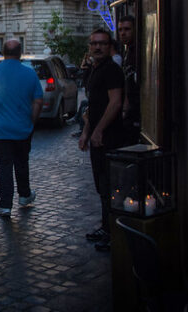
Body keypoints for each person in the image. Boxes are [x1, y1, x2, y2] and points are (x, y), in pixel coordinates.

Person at [0, 39, 43, 218]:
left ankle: (5, 205)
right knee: (22, 163)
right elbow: (38, 100)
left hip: (0, 130)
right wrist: (33, 120)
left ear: (3, 52)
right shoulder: (29, 73)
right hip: (23, 128)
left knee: (4, 167)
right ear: (20, 53)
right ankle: (24, 195)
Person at [78, 28, 125, 252]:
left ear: (109, 46)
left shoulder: (112, 71)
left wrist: (99, 131)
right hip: (98, 138)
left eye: (102, 44)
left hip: (110, 138)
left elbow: (115, 103)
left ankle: (113, 232)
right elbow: (94, 106)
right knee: (101, 186)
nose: (97, 47)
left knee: (109, 187)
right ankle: (106, 228)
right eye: (94, 44)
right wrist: (87, 131)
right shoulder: (95, 70)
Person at [118, 15, 140, 146]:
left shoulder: (138, 50)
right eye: (120, 30)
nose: (123, 33)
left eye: (127, 29)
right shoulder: (128, 51)